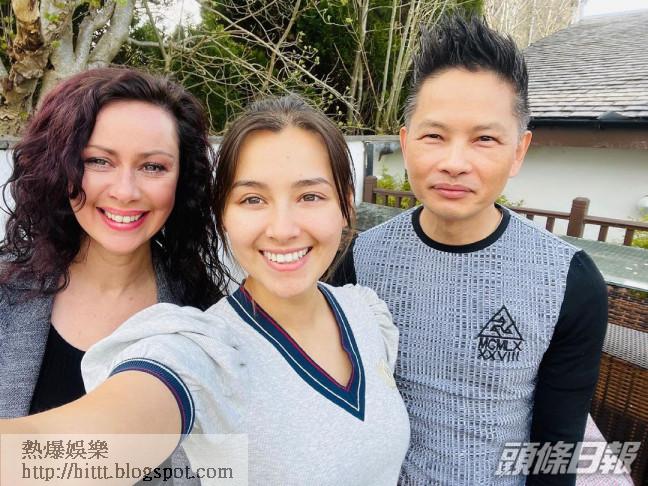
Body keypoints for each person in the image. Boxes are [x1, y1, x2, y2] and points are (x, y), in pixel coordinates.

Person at [1, 95, 410, 485]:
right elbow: (106, 441)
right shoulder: (203, 349)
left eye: (310, 196)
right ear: (223, 214)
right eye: (253, 199)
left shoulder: (365, 313)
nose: (283, 228)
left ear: (346, 205)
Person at [332, 15, 608, 486]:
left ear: (518, 151)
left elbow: (556, 449)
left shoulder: (569, 282)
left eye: (485, 138)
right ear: (406, 143)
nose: (454, 162)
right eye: (434, 136)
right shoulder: (362, 259)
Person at [0, 67, 228, 484]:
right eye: (98, 161)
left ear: (183, 180)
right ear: (59, 167)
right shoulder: (5, 295)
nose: (125, 191)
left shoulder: (208, 319)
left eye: (153, 167)